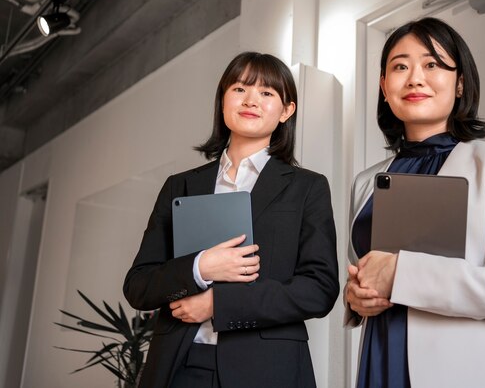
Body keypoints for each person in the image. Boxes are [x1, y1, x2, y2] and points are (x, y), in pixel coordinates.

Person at [344, 17, 485, 388]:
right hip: (379, 360)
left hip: (462, 372)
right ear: (384, 87)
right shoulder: (365, 181)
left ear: (460, 82)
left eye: (432, 64)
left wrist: (400, 274)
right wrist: (356, 299)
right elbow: (365, 274)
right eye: (400, 66)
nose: (415, 77)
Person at [124, 51, 339, 388]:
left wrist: (218, 304)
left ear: (286, 111)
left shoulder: (307, 187)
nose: (251, 99)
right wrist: (200, 267)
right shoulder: (180, 185)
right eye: (239, 89)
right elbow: (138, 285)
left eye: (267, 93)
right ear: (223, 101)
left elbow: (319, 289)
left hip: (267, 370)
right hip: (180, 365)